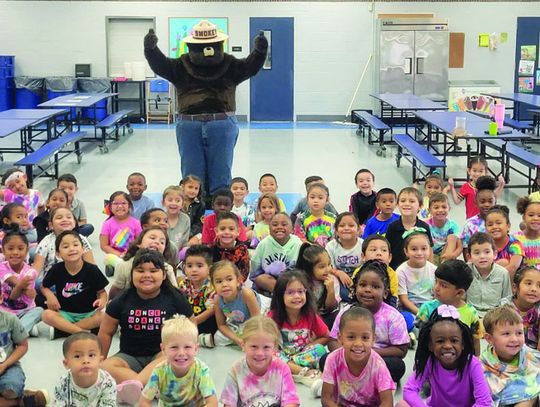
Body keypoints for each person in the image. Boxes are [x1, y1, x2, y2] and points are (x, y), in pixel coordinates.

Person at [144, 21, 267, 195]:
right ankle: (194, 210)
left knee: (221, 171)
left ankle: (220, 209)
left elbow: (250, 67)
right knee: (192, 173)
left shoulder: (230, 64)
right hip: (192, 125)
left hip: (219, 124)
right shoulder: (181, 65)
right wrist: (151, 50)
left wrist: (260, 52)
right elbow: (161, 65)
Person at [98, 249, 192, 405]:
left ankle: (137, 387)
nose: (146, 275)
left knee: (170, 359)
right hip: (129, 356)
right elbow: (106, 332)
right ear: (132, 274)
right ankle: (151, 386)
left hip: (161, 354)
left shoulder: (175, 297)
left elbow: (190, 328)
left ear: (163, 275)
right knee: (103, 367)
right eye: (140, 270)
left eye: (153, 271)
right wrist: (100, 359)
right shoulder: (121, 299)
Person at [328, 260, 409, 384]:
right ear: (355, 288)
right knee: (326, 360)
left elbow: (401, 350)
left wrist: (368, 353)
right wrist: (349, 354)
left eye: (375, 287)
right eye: (363, 285)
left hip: (378, 359)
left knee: (397, 366)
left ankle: (366, 381)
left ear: (385, 293)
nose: (368, 290)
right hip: (349, 357)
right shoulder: (346, 312)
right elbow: (333, 340)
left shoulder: (393, 317)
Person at [398, 305, 491, 407]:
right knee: (402, 405)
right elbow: (410, 389)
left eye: (454, 340)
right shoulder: (430, 362)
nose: (447, 346)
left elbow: (484, 402)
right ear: (430, 345)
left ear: (463, 344)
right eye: (440, 341)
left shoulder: (473, 364)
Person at [321, 307, 395, 407]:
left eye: (365, 338)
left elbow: (387, 402)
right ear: (340, 338)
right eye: (351, 337)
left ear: (373, 339)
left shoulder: (378, 365)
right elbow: (326, 399)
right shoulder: (333, 359)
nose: (358, 344)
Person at [220, 315, 300, 407]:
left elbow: (291, 402)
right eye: (254, 347)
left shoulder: (282, 368)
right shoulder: (236, 370)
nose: (260, 353)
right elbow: (229, 404)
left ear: (274, 347)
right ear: (243, 345)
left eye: (266, 347)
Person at [41, 231, 108, 339]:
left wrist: (102, 300)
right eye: (66, 246)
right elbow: (44, 286)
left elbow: (102, 292)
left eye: (76, 245)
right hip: (65, 314)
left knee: (105, 317)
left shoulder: (92, 270)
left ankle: (65, 330)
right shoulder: (56, 269)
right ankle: (84, 332)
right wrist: (50, 296)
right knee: (46, 315)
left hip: (89, 314)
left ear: (83, 249)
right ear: (58, 253)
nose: (72, 249)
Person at [139, 315, 217, 407]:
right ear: (163, 349)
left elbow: (212, 403)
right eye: (174, 347)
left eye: (187, 347)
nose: (181, 353)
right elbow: (144, 402)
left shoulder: (201, 370)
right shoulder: (159, 371)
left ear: (196, 349)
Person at [268, 271, 329, 387]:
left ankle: (292, 369)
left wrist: (311, 345)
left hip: (302, 355)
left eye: (301, 291)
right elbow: (267, 342)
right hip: (282, 355)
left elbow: (326, 336)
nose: (297, 296)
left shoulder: (310, 315)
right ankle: (303, 372)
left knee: (320, 349)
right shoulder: (273, 316)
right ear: (280, 296)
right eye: (290, 292)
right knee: (270, 354)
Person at [414, 260, 482, 355]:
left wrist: (476, 361)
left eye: (443, 285)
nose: (436, 288)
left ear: (459, 293)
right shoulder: (426, 309)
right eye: (436, 281)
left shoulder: (471, 312)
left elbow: (475, 340)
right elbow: (422, 340)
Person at [481, 305, 540, 406]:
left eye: (519, 333)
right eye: (506, 334)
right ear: (489, 339)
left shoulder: (531, 356)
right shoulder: (482, 366)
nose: (514, 339)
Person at [200, 260, 260, 348]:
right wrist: (237, 340)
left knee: (259, 335)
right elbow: (221, 325)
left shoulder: (247, 294)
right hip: (238, 323)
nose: (224, 284)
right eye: (219, 281)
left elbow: (257, 320)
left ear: (238, 280)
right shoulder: (217, 300)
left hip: (258, 317)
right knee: (218, 337)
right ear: (213, 285)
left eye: (229, 279)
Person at [109, 226, 178, 300]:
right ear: (138, 243)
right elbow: (116, 289)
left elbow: (175, 294)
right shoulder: (125, 265)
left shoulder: (167, 269)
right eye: (152, 238)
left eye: (162, 242)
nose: (157, 242)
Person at [32, 207, 95, 286]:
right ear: (51, 225)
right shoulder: (46, 242)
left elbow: (91, 263)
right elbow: (37, 267)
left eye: (69, 217)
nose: (65, 219)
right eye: (59, 218)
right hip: (52, 283)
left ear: (75, 223)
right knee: (37, 283)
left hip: (77, 282)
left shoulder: (81, 239)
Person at [0, 308, 49, 406]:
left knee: (10, 390)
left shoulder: (10, 319)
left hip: (9, 367)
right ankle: (22, 401)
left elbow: (23, 346)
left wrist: (4, 365)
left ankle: (12, 399)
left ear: (1, 298)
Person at [52, 332, 116, 406]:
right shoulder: (63, 383)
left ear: (100, 361)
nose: (86, 360)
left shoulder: (108, 383)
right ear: (66, 364)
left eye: (91, 355)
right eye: (77, 356)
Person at [0, 231, 42, 336]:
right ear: (3, 251)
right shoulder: (1, 267)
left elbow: (27, 299)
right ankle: (24, 329)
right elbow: (12, 296)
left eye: (20, 248)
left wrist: (27, 291)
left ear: (27, 250)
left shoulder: (31, 272)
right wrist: (23, 286)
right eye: (10, 249)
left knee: (40, 311)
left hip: (25, 311)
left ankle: (16, 332)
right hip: (5, 310)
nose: (15, 252)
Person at [250, 212, 303, 295]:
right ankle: (282, 294)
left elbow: (303, 270)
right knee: (261, 278)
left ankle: (284, 294)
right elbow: (255, 269)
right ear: (269, 229)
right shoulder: (263, 244)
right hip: (269, 282)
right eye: (275, 225)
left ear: (292, 229)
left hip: (291, 282)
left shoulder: (298, 244)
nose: (279, 227)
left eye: (284, 224)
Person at [385, 187, 433, 270]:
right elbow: (387, 250)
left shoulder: (424, 227)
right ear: (397, 204)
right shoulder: (392, 227)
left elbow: (430, 250)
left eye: (412, 201)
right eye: (403, 201)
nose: (407, 204)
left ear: (420, 206)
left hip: (419, 270)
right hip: (396, 271)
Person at [466, 232, 512, 318]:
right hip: (470, 314)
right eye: (477, 253)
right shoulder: (465, 271)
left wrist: (497, 315)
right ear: (469, 257)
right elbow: (461, 297)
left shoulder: (503, 273)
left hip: (495, 315)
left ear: (495, 254)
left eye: (487, 252)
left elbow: (506, 298)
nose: (482, 256)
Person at [296, 243, 340, 328]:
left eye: (329, 264)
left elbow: (330, 308)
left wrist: (330, 290)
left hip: (324, 317)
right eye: (322, 267)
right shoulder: (300, 281)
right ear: (309, 268)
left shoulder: (332, 280)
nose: (328, 269)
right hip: (304, 317)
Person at [178, 245, 217, 336]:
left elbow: (211, 310)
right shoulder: (184, 283)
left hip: (205, 322)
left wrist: (192, 322)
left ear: (209, 269)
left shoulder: (212, 286)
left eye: (199, 266)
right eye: (189, 266)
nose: (194, 270)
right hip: (188, 319)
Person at [396, 228, 437, 315]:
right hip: (408, 309)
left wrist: (430, 312)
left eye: (423, 249)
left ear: (429, 250)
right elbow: (403, 299)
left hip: (429, 308)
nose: (419, 253)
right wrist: (420, 313)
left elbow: (436, 295)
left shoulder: (434, 270)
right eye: (414, 249)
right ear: (406, 251)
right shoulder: (401, 271)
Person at [99, 191, 142, 270]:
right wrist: (119, 254)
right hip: (115, 254)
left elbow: (140, 242)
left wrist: (129, 254)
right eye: (115, 203)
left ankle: (120, 267)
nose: (119, 206)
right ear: (110, 207)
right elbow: (104, 245)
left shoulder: (136, 223)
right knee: (108, 258)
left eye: (123, 203)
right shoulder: (107, 224)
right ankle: (119, 266)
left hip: (131, 254)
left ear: (129, 206)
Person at [459, 175, 498, 259]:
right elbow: (466, 248)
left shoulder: (499, 222)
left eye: (490, 201)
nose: (487, 205)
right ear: (476, 203)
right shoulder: (470, 224)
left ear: (495, 202)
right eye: (482, 202)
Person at [501, 267, 540, 350]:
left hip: (534, 356)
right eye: (528, 283)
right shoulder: (504, 307)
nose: (534, 289)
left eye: (539, 285)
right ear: (515, 287)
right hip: (506, 352)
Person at [357, 235, 399, 307]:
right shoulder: (359, 272)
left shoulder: (392, 274)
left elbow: (393, 297)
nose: (379, 253)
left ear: (389, 258)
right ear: (363, 256)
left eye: (384, 250)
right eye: (373, 250)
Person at [326, 212, 362, 293]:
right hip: (338, 279)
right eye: (342, 226)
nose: (346, 228)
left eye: (351, 225)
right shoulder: (330, 246)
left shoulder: (363, 245)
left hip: (360, 279)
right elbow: (328, 267)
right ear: (336, 230)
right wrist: (339, 273)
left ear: (358, 229)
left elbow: (368, 267)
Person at [210, 212, 250, 282]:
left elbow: (244, 273)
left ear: (238, 231)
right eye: (222, 229)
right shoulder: (210, 249)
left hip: (235, 286)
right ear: (216, 231)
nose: (227, 232)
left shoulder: (242, 250)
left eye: (231, 229)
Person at [485, 205, 523, 278]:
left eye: (498, 223)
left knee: (503, 262)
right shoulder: (485, 244)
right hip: (488, 281)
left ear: (508, 226)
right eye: (490, 225)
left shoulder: (515, 245)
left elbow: (513, 267)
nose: (494, 227)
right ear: (486, 228)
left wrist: (492, 278)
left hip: (510, 282)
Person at [294, 183, 336, 248]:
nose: (316, 201)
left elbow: (335, 237)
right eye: (312, 197)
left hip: (329, 251)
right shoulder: (301, 218)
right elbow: (300, 239)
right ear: (307, 199)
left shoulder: (333, 217)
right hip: (309, 251)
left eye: (320, 198)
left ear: (327, 200)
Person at [425, 193, 461, 264]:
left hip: (446, 254)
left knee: (452, 237)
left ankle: (445, 266)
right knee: (424, 238)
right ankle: (432, 269)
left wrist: (454, 255)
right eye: (436, 207)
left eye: (444, 207)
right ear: (429, 210)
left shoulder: (453, 225)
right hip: (430, 255)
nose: (440, 210)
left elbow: (460, 245)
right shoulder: (425, 224)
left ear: (449, 208)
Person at [514, 195, 540, 269]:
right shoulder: (515, 239)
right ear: (524, 217)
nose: (535, 218)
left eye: (539, 216)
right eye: (531, 215)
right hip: (522, 278)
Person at [162, 185, 190, 250]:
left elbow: (184, 243)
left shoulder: (185, 219)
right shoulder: (160, 218)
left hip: (179, 255)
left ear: (182, 204)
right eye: (170, 200)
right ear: (163, 202)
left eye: (178, 201)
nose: (174, 203)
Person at [180, 175, 205, 246]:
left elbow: (198, 224)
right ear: (182, 186)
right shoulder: (177, 201)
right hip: (178, 231)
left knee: (198, 240)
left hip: (192, 233)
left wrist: (190, 234)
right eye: (190, 187)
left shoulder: (200, 204)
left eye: (196, 188)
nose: (193, 191)